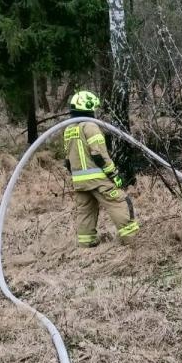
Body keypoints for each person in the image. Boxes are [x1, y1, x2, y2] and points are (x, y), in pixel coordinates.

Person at [63, 91, 139, 247]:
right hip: (97, 179)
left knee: (85, 212)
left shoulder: (69, 129)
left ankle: (86, 246)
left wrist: (77, 177)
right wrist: (114, 175)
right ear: (88, 108)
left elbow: (67, 160)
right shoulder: (90, 126)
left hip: (79, 181)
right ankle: (133, 241)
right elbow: (99, 155)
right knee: (120, 202)